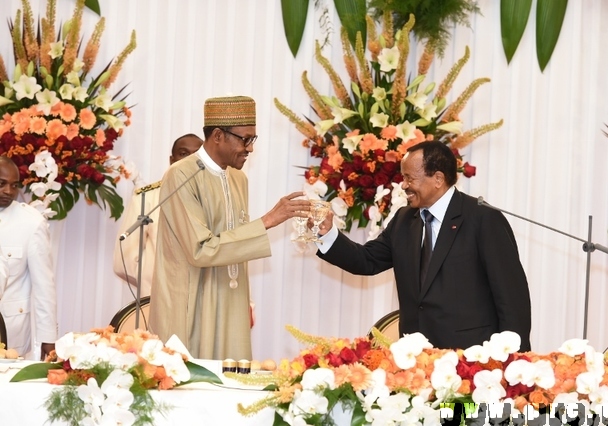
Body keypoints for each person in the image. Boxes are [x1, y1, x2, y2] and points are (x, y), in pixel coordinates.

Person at [315, 141, 532, 351]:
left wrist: (515, 361)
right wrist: (328, 234)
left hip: (471, 357)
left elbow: (512, 298)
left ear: (438, 178)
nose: (404, 185)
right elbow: (366, 260)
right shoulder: (403, 220)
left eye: (409, 178)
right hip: (417, 358)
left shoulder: (482, 219)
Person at [149, 95, 310, 360]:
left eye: (253, 139)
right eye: (244, 139)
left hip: (230, 300)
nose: (250, 148)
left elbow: (235, 244)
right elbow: (200, 249)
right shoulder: (180, 174)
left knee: (231, 385)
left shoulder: (238, 178)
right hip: (191, 302)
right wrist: (267, 221)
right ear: (217, 136)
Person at [113, 134, 203, 297]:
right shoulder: (147, 197)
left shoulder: (215, 199)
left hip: (203, 301)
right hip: (157, 299)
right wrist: (151, 282)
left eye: (196, 155)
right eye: (183, 153)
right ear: (172, 160)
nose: (189, 160)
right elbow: (123, 260)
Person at [0, 156, 57, 358]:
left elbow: (44, 286)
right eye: (1, 183)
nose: (8, 191)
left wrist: (48, 339)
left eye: (14, 185)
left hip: (9, 335)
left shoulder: (31, 223)